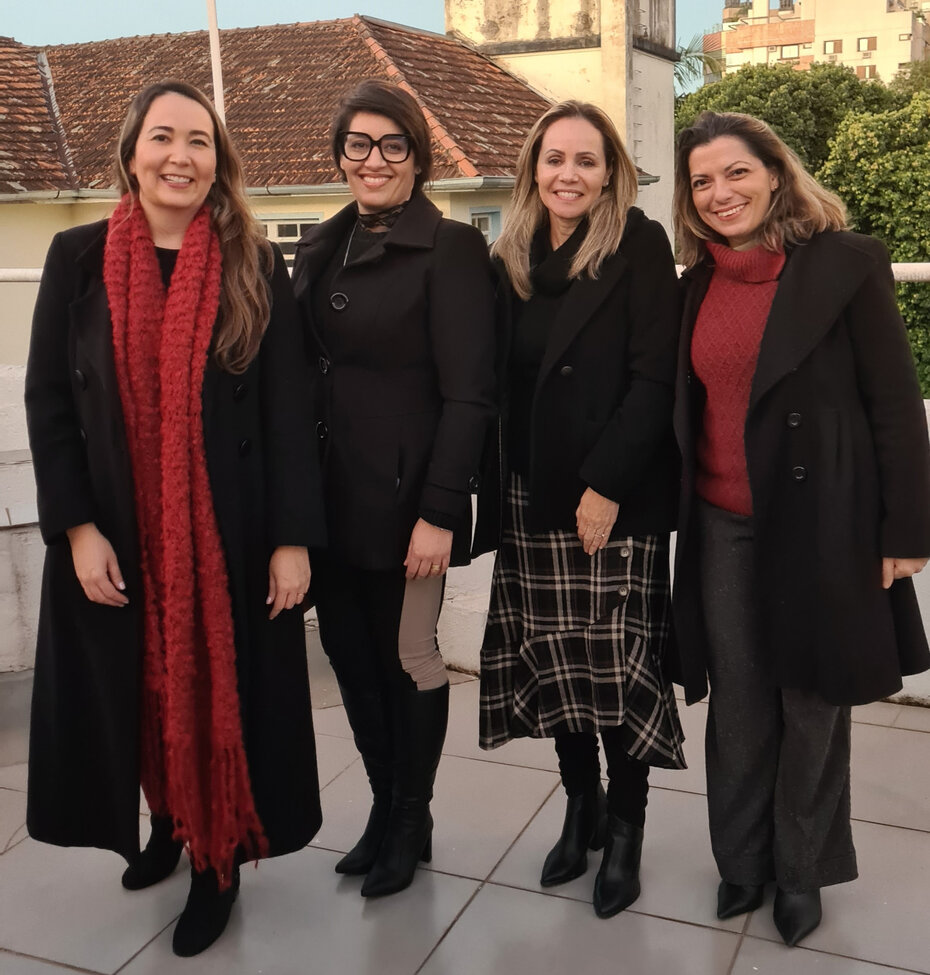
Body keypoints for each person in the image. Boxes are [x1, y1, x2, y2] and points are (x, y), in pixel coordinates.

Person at [24, 80, 325, 957]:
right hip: (118, 532)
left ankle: (217, 858)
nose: (180, 156)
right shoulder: (76, 258)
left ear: (218, 162)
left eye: (199, 141)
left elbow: (287, 411)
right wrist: (75, 528)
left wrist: (291, 539)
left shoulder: (253, 264)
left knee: (211, 690)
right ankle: (167, 819)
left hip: (225, 537)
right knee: (138, 690)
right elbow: (48, 403)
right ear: (131, 153)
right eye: (163, 137)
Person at [671, 110, 930, 946]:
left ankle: (803, 866)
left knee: (813, 699)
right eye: (702, 180)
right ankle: (742, 859)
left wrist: (907, 527)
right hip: (721, 522)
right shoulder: (693, 286)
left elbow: (895, 405)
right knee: (740, 700)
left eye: (736, 172)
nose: (720, 192)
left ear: (776, 173)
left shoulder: (846, 266)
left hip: (824, 523)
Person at [474, 100, 686, 919]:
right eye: (554, 159)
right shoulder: (511, 254)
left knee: (615, 669)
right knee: (554, 662)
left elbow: (653, 379)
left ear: (610, 173)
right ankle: (580, 804)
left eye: (586, 161)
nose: (569, 174)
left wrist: (607, 483)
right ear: (533, 167)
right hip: (529, 493)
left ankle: (625, 826)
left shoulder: (637, 245)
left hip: (608, 496)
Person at [291, 79, 495, 898]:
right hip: (329, 498)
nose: (373, 160)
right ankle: (383, 805)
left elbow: (470, 392)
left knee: (409, 658)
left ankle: (413, 815)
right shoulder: (320, 241)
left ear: (417, 156)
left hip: (410, 502)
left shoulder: (450, 249)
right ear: (340, 155)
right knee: (348, 655)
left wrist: (441, 511)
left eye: (391, 145)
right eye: (358, 145)